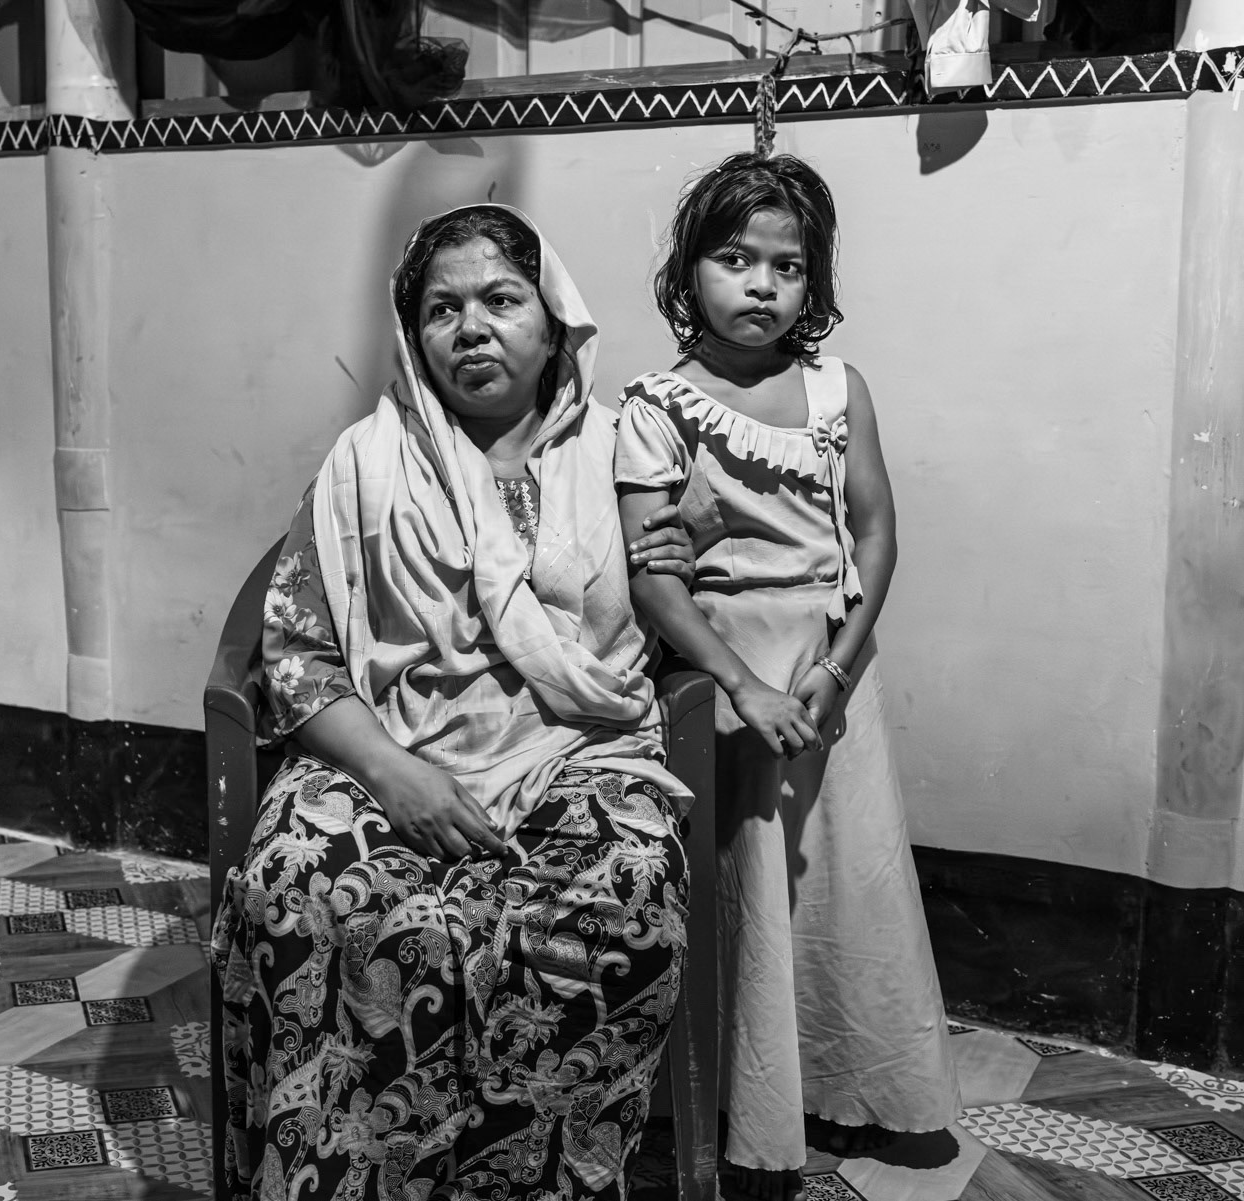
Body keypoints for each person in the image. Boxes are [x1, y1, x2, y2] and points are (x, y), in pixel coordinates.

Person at [213, 204, 699, 1201]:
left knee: (620, 910)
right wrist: (400, 778)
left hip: (580, 756)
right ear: (412, 334)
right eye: (442, 309)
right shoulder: (363, 465)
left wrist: (685, 552)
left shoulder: (625, 460)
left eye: (500, 299)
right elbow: (299, 659)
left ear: (553, 315)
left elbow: (689, 602)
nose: (471, 328)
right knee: (295, 892)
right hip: (388, 751)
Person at [614, 153, 959, 1201]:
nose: (762, 284)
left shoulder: (836, 388)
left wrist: (839, 669)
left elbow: (877, 527)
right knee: (744, 893)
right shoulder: (655, 406)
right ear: (688, 272)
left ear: (815, 282)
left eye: (788, 266)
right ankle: (734, 1096)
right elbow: (654, 579)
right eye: (734, 258)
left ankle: (843, 1080)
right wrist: (740, 686)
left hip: (826, 671)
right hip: (721, 685)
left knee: (840, 886)